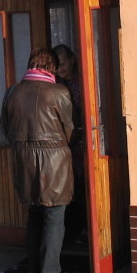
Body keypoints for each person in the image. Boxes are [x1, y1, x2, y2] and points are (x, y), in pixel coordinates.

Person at [0, 47, 74, 273]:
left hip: (23, 162)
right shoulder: (59, 92)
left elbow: (4, 127)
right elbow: (69, 129)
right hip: (54, 163)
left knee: (34, 214)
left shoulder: (12, 92)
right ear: (51, 67)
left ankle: (33, 268)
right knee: (54, 217)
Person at [52, 44, 87, 246]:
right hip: (65, 145)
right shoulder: (56, 85)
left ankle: (84, 229)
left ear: (73, 60)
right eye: (57, 66)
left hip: (82, 142)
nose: (60, 69)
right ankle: (73, 231)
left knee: (82, 187)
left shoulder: (83, 81)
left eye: (63, 64)